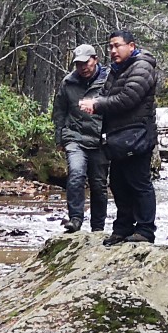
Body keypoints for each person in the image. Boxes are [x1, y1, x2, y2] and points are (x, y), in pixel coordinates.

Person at [78, 29, 160, 243]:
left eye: (117, 46)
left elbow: (128, 98)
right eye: (110, 46)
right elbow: (107, 95)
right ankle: (123, 228)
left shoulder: (142, 67)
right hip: (119, 137)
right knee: (118, 183)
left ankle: (145, 230)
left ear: (131, 46)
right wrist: (96, 104)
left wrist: (97, 104)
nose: (113, 50)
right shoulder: (117, 69)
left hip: (138, 135)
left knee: (139, 183)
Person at [51, 42, 109, 233]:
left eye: (86, 63)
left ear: (95, 60)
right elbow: (59, 111)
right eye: (78, 64)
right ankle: (75, 219)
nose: (83, 67)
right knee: (76, 174)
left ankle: (98, 227)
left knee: (99, 185)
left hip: (100, 140)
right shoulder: (68, 83)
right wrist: (59, 138)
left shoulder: (108, 80)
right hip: (74, 137)